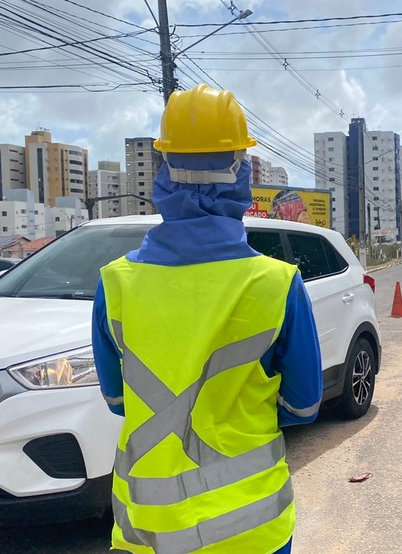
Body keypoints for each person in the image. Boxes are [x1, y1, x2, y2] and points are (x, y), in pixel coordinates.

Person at [91, 84, 322, 554]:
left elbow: (118, 400)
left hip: (146, 530)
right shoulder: (277, 283)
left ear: (164, 171)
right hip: (253, 527)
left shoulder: (115, 283)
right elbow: (304, 407)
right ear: (241, 172)